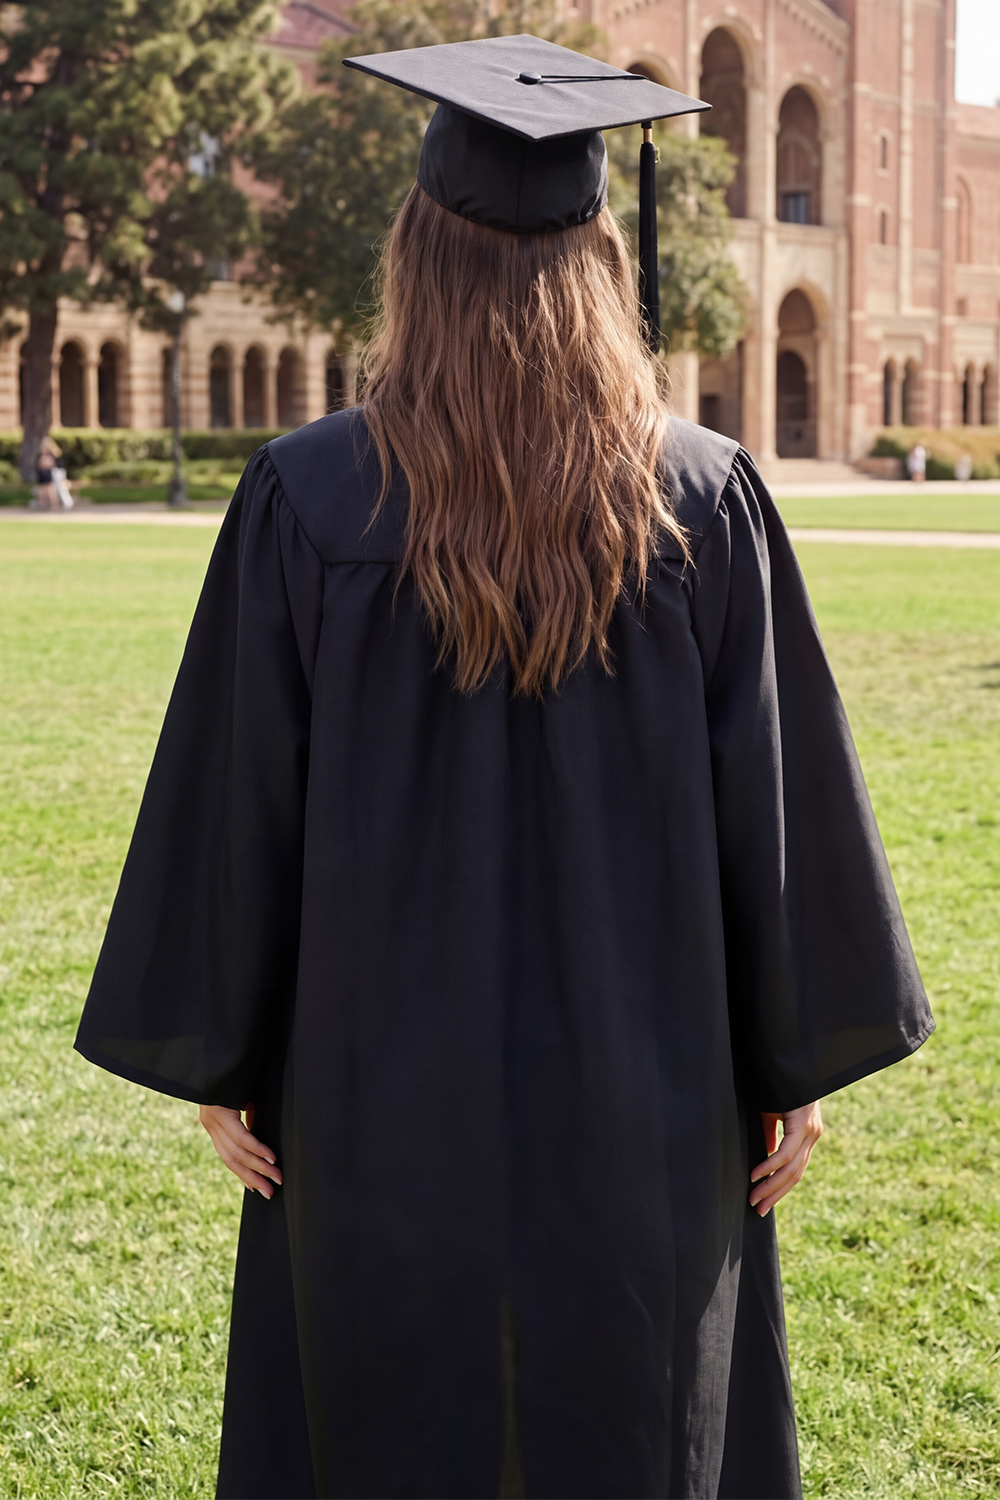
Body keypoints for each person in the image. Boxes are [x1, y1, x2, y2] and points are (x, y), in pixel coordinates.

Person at [75, 35, 933, 1500]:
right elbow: (772, 814)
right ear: (606, 264)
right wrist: (791, 1060)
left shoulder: (308, 498)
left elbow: (241, 803)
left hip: (369, 1086)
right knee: (640, 1414)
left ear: (414, 258)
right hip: (649, 1087)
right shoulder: (700, 497)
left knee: (378, 1411)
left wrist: (223, 1047)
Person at [35, 438, 59, 511]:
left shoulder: (50, 455)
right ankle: (43, 505)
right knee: (43, 490)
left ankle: (53, 506)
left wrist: (44, 464)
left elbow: (51, 464)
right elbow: (39, 465)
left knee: (49, 489)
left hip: (47, 472)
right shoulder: (41, 455)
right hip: (43, 473)